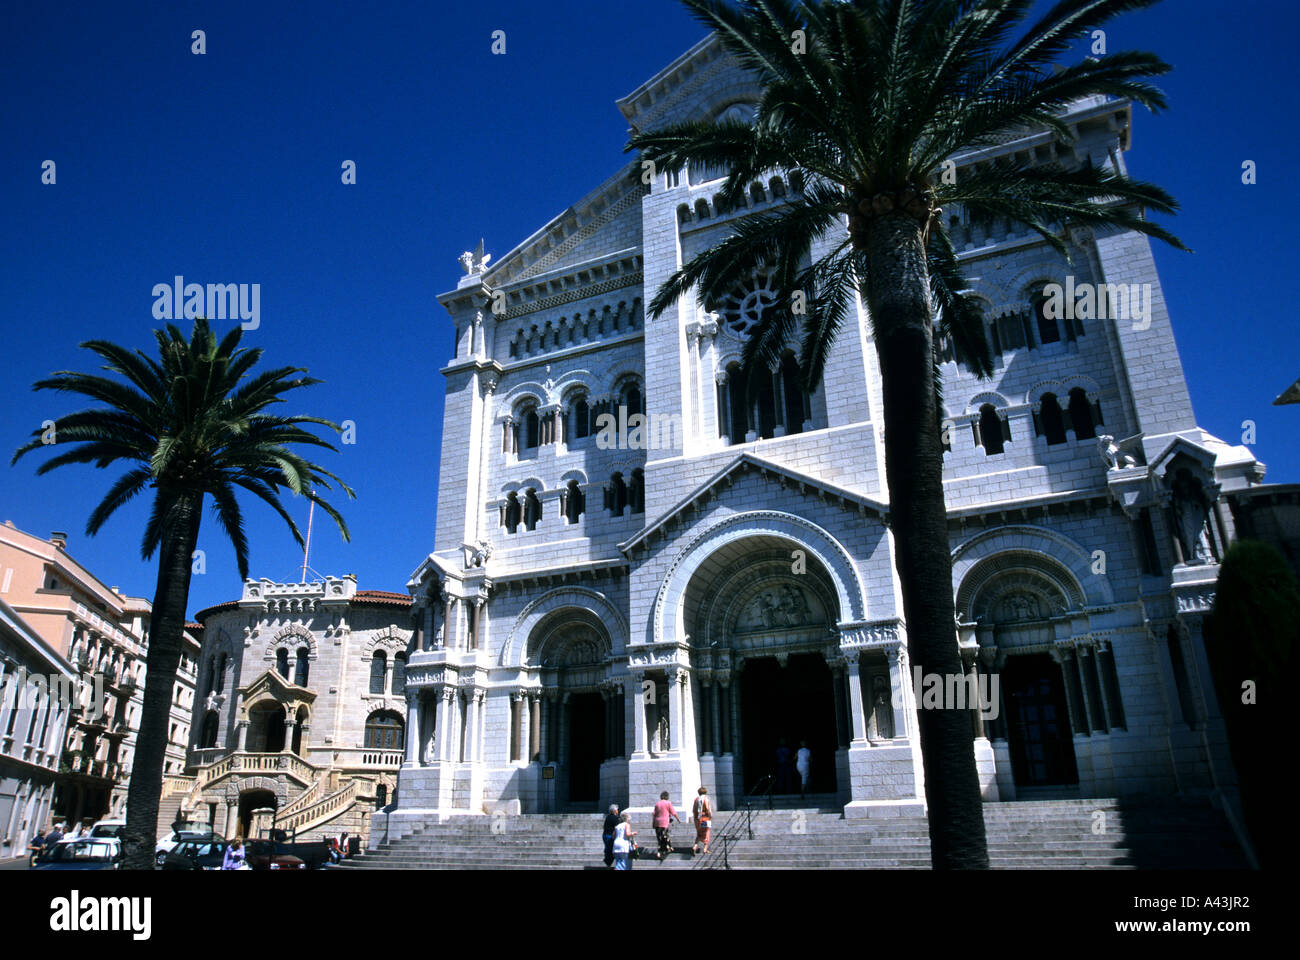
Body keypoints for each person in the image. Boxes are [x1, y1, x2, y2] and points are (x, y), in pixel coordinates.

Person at [652, 791, 681, 860]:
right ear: (667, 796)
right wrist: (678, 819)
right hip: (664, 822)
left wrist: (653, 823)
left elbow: (654, 814)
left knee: (660, 838)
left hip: (657, 823)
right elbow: (673, 812)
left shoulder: (657, 804)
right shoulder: (668, 803)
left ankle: (666, 848)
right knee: (665, 837)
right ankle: (664, 851)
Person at [691, 787, 712, 856]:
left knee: (699, 834)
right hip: (705, 818)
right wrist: (709, 815)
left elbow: (693, 810)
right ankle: (705, 849)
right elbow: (707, 808)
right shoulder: (705, 799)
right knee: (707, 833)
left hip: (697, 819)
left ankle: (695, 846)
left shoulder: (696, 799)